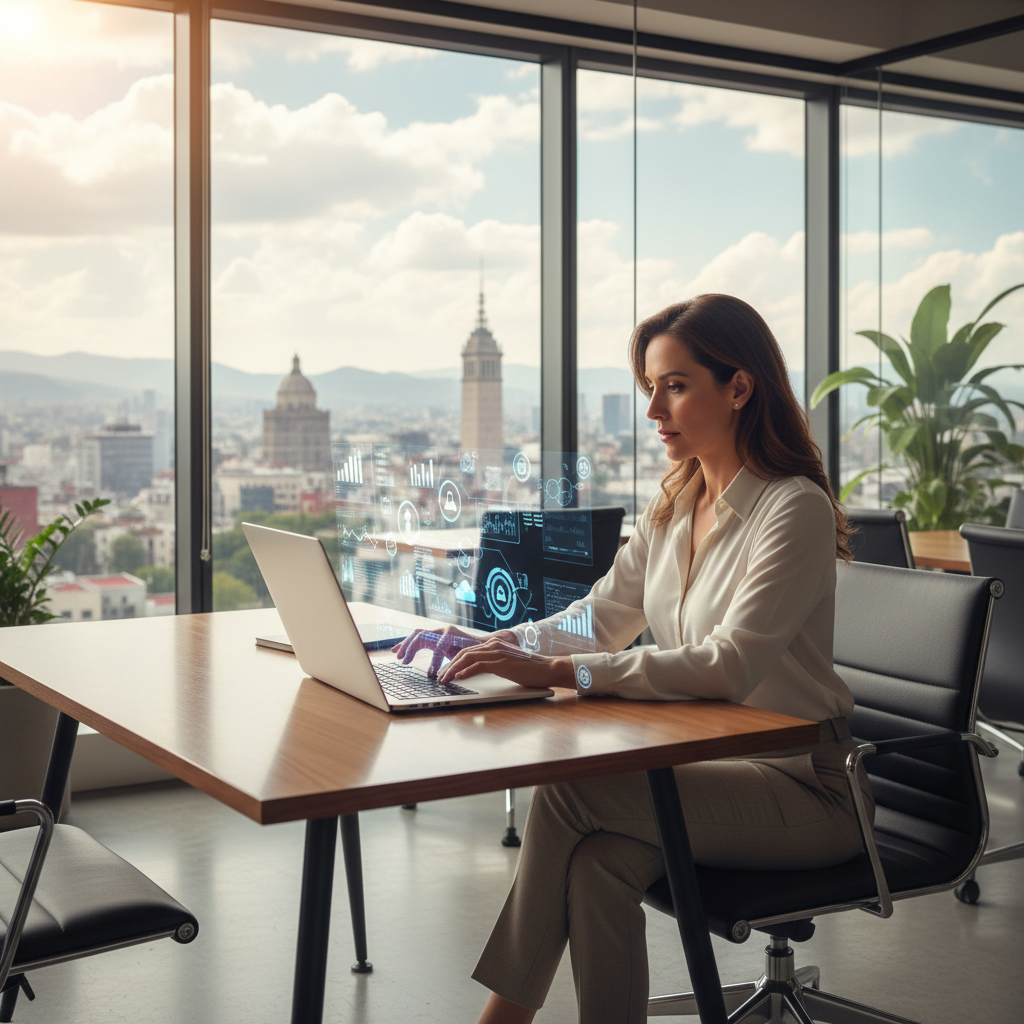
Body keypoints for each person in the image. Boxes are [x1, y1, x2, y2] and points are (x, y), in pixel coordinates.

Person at [393, 294, 866, 1024]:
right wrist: (505, 645)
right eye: (651, 389)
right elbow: (602, 618)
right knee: (597, 866)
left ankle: (500, 1020)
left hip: (807, 787)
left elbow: (727, 663)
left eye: (674, 386)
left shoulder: (790, 509)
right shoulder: (676, 503)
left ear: (739, 388)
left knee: (571, 791)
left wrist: (559, 673)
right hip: (714, 762)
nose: (654, 412)